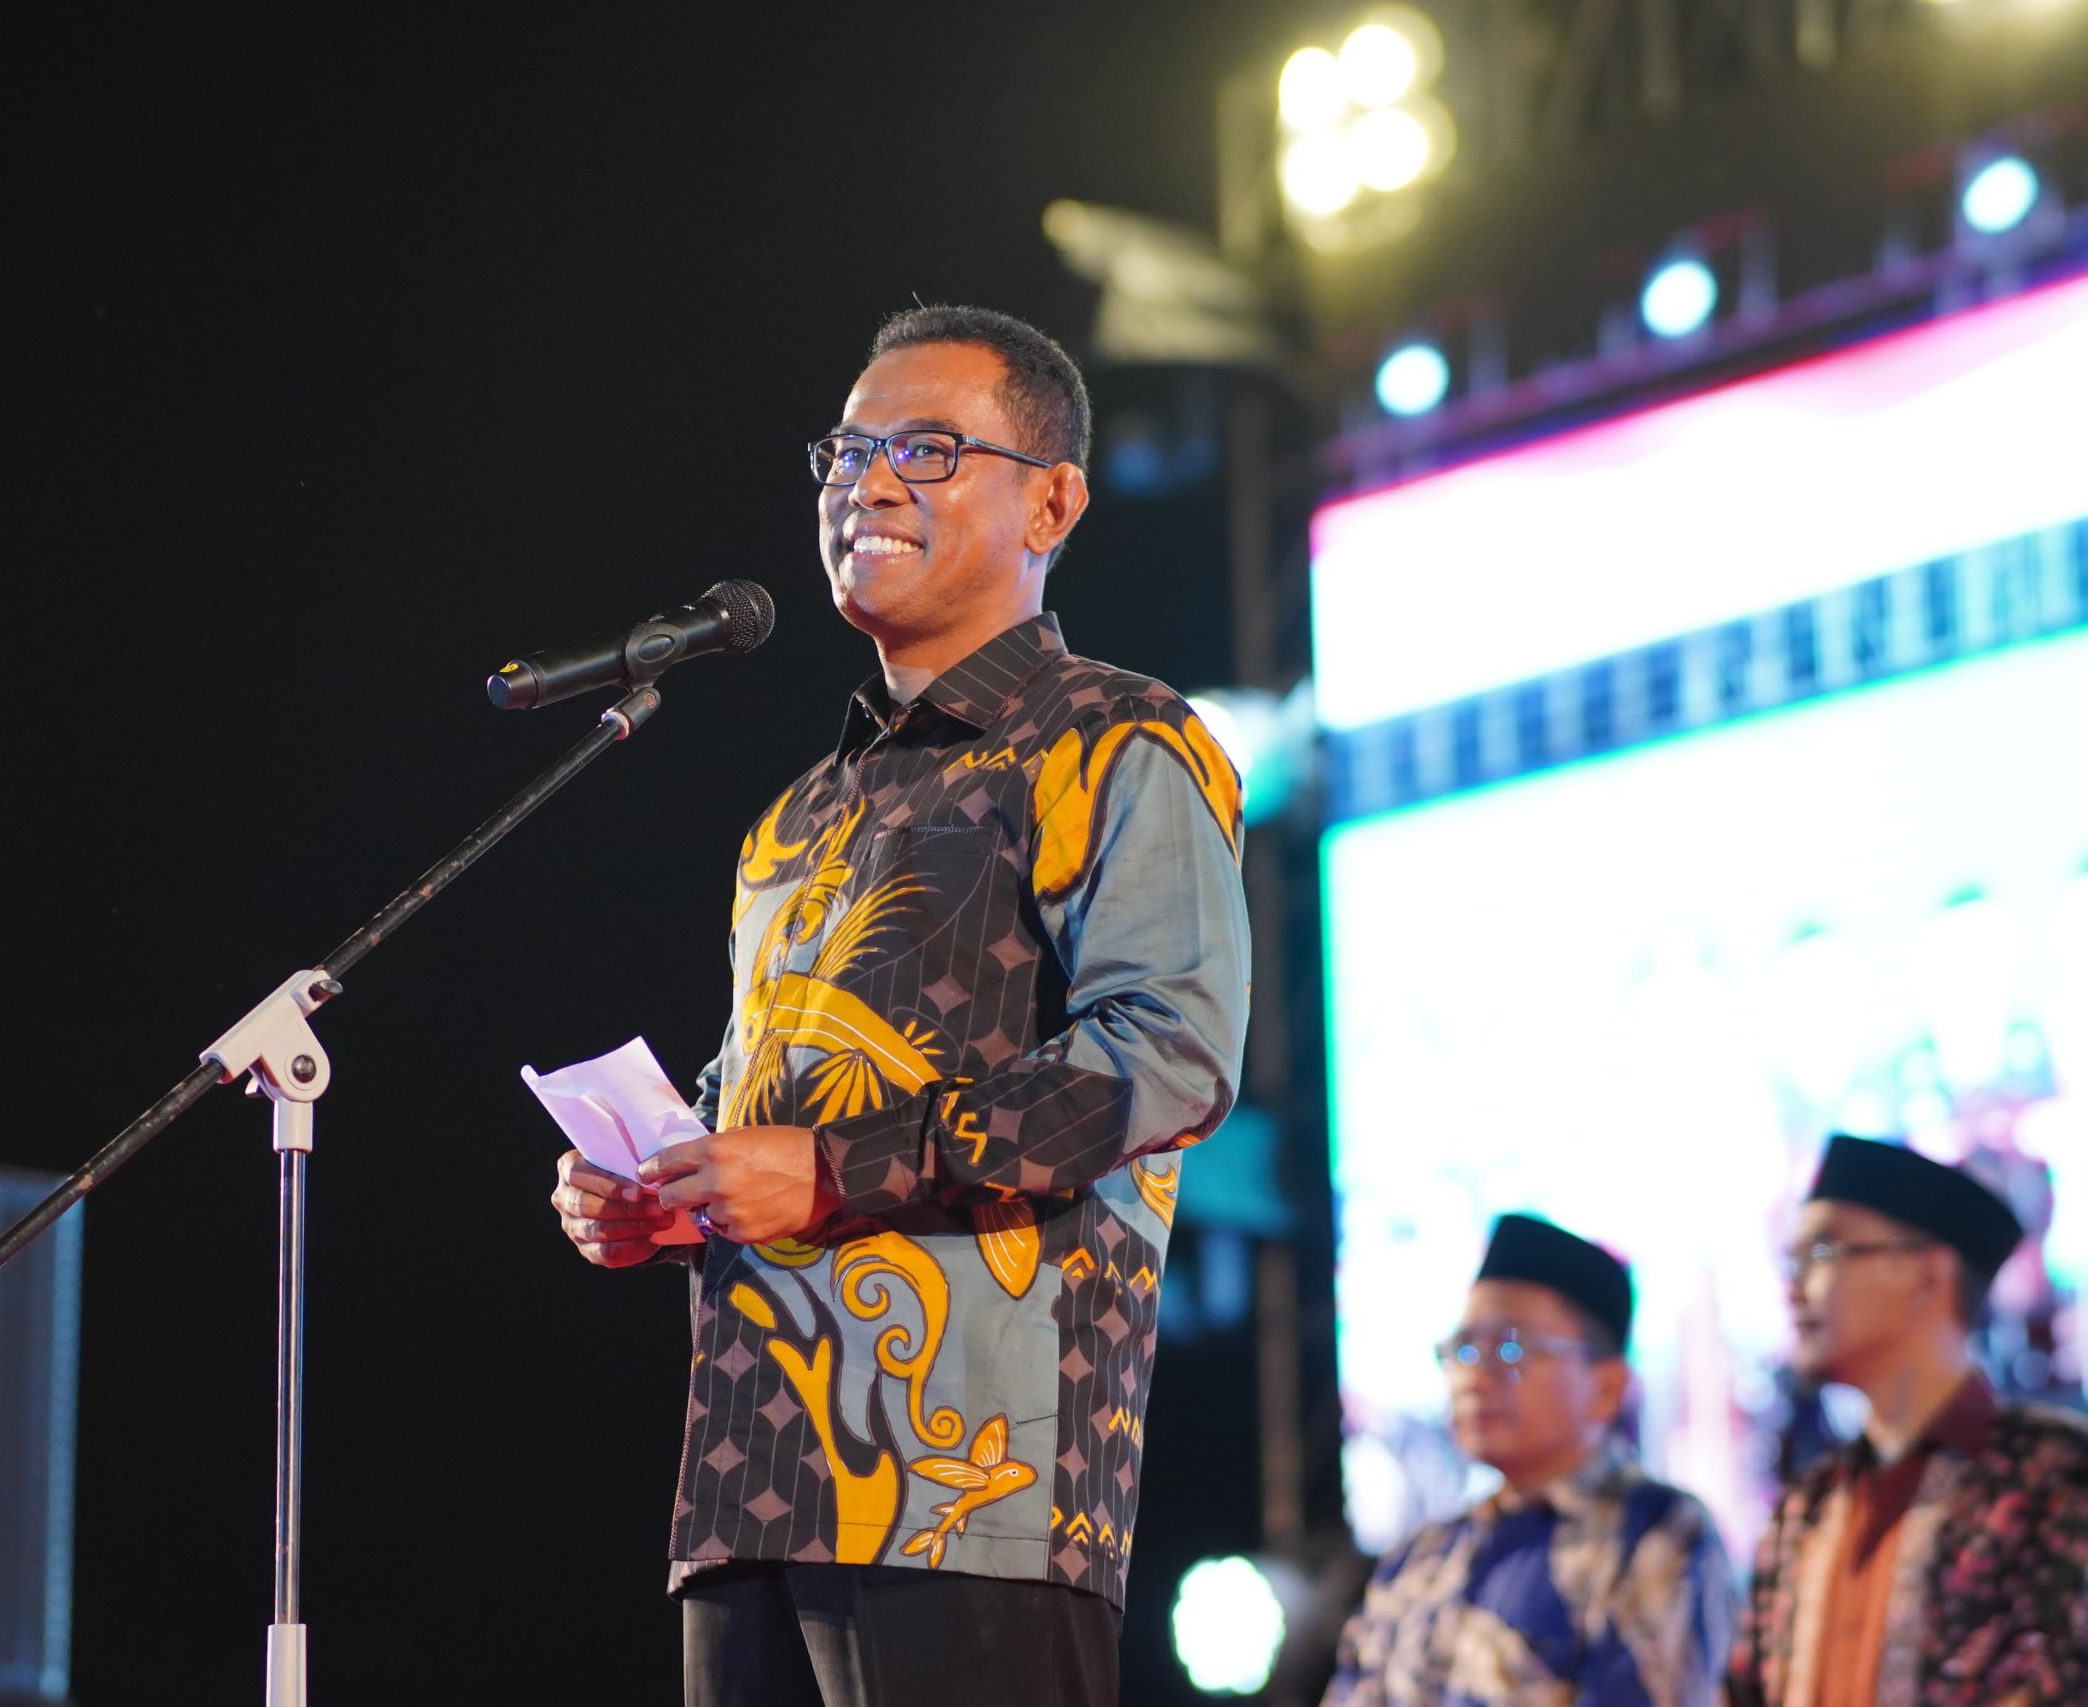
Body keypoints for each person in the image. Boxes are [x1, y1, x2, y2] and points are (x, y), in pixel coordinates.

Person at [547, 304, 1250, 1706]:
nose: (865, 484)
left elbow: (1169, 1054)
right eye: (847, 452)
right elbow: (767, 1105)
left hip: (974, 1483)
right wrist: (664, 1184)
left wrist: (827, 1166)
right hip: (749, 1477)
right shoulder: (792, 820)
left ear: (1051, 501)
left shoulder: (1118, 737)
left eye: (926, 449)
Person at [1727, 1134, 2088, 1707]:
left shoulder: (2054, 1482)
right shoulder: (1807, 1508)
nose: (1793, 1288)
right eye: (1791, 1260)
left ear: (1927, 1275)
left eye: (1821, 1254)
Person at [1324, 1213, 1736, 1706]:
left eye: (1510, 1349)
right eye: (1464, 1350)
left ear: (1607, 1387)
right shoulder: (1424, 1554)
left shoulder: (1656, 1533)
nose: (1474, 1378)